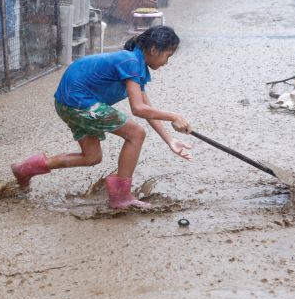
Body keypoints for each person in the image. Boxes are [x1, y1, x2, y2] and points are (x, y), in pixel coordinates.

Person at [10, 26, 193, 210]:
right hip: (78, 101)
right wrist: (174, 116)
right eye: (167, 56)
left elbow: (147, 109)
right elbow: (138, 108)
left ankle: (24, 169)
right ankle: (121, 197)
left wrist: (170, 140)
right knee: (136, 134)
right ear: (154, 50)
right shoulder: (131, 61)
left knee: (92, 157)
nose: (166, 62)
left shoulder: (136, 64)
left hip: (67, 103)